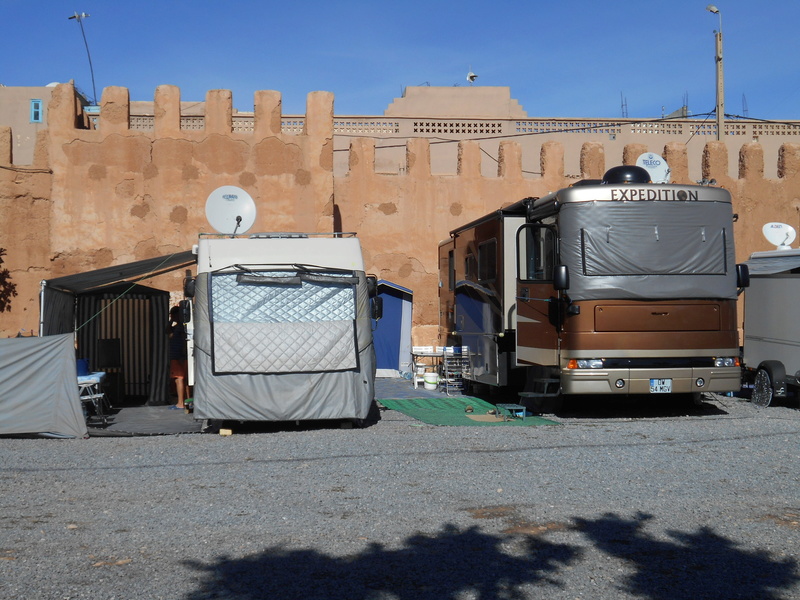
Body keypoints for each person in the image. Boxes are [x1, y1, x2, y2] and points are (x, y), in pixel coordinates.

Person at [168, 305, 190, 410]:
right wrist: (171, 321)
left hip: (178, 356)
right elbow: (167, 331)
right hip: (177, 356)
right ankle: (184, 401)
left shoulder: (181, 326)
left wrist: (182, 355)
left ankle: (180, 403)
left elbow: (184, 341)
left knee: (179, 379)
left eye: (172, 314)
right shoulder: (177, 326)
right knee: (182, 379)